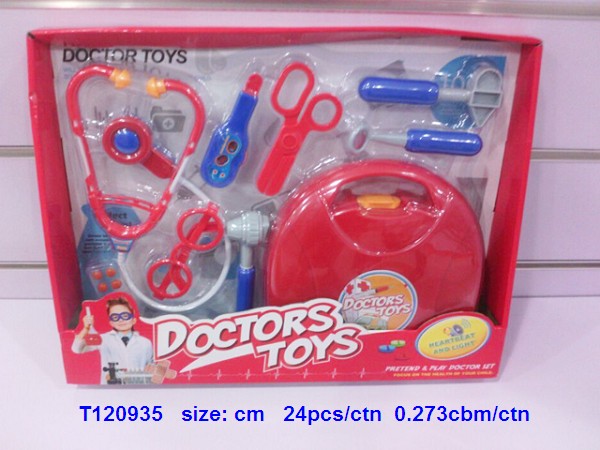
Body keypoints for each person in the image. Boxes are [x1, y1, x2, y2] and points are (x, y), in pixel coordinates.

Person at [72, 296, 153, 384]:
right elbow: (77, 349)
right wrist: (86, 329)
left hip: (138, 387)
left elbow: (151, 367)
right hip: (111, 388)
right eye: (115, 317)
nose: (121, 320)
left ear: (133, 320)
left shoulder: (145, 342)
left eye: (125, 316)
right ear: (111, 323)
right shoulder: (103, 339)